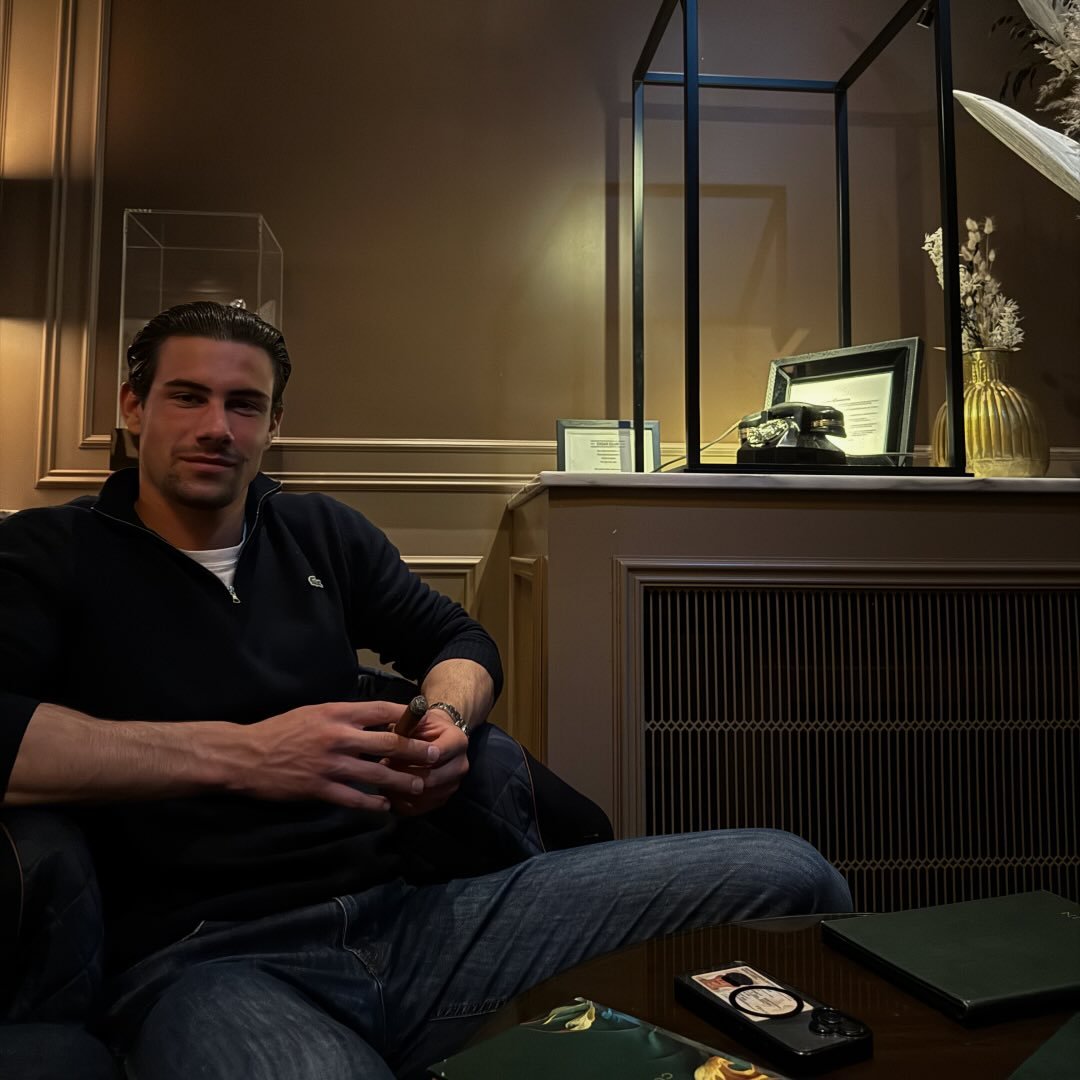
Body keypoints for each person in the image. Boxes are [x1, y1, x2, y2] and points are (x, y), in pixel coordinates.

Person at [0, 302, 852, 1079]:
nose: (217, 427)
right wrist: (249, 754)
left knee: (788, 873)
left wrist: (446, 718)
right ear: (133, 407)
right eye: (188, 397)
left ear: (274, 425)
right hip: (210, 964)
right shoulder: (52, 554)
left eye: (244, 405)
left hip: (412, 924)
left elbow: (461, 640)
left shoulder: (319, 532)